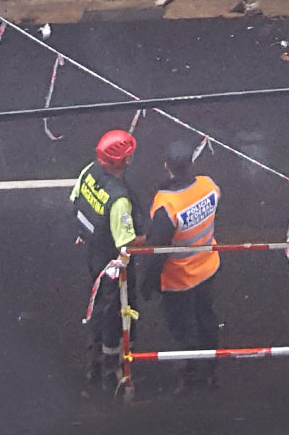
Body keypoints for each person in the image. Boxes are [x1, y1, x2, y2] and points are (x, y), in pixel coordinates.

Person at [144, 139, 222, 390]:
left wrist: (148, 284)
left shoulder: (167, 205)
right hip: (207, 266)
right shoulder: (209, 186)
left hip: (179, 279)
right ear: (192, 163)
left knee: (182, 329)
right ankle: (210, 368)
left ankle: (189, 377)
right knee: (206, 319)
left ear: (167, 166)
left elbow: (157, 250)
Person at [71, 129, 141, 388]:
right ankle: (112, 367)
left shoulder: (88, 171)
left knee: (98, 304)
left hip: (93, 253)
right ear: (123, 161)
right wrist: (154, 239)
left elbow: (75, 200)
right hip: (113, 264)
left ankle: (94, 360)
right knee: (116, 312)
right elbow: (127, 241)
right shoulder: (119, 199)